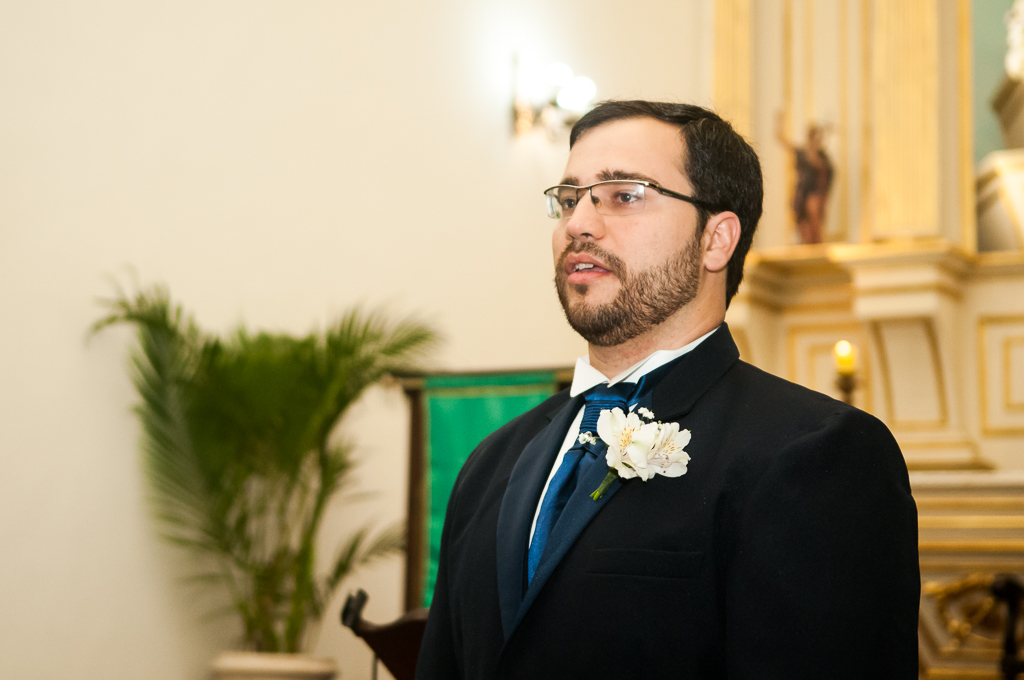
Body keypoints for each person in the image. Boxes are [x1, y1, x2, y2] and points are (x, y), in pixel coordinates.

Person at [415, 100, 919, 680]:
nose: (579, 222)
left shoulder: (816, 455)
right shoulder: (492, 463)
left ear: (716, 240)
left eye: (623, 195)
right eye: (569, 197)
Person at [776, 111, 834, 245]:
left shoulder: (820, 155)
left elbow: (825, 170)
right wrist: (779, 122)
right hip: (801, 193)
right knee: (803, 228)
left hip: (815, 193)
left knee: (815, 222)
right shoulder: (802, 151)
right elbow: (780, 138)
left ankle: (818, 248)